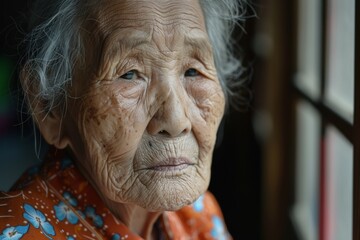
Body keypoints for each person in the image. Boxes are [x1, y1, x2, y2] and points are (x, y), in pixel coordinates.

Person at [0, 0, 247, 239]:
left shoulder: (198, 213)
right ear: (49, 106)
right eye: (129, 74)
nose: (175, 121)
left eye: (193, 71)